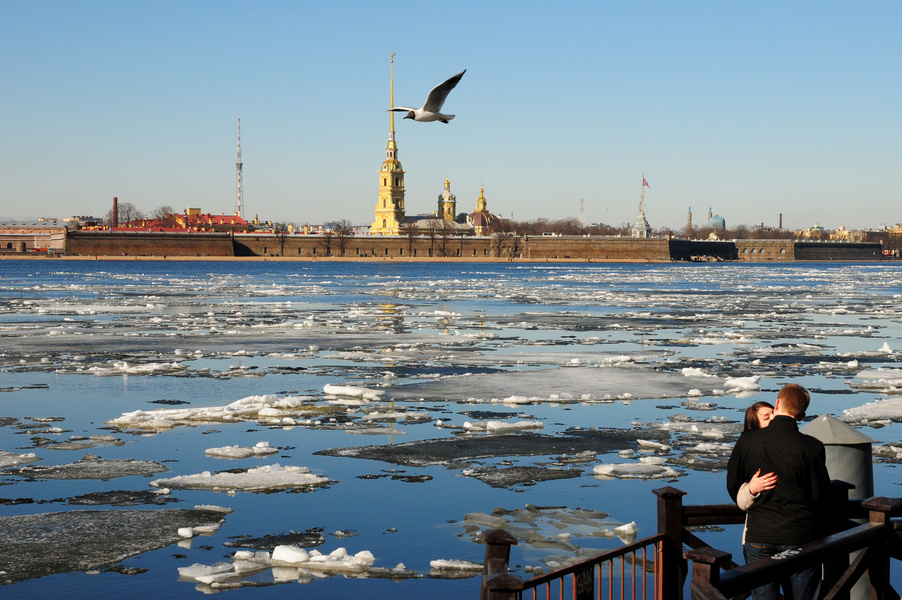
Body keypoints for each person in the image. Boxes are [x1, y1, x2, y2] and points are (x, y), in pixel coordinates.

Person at [727, 384, 831, 600]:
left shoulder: (747, 441)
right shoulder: (812, 446)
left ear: (777, 404)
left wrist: (751, 490)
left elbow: (732, 486)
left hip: (760, 536)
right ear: (802, 415)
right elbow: (820, 497)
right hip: (801, 536)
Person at [736, 402, 777, 544]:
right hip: (759, 532)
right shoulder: (747, 449)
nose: (773, 418)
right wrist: (751, 490)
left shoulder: (794, 444)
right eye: (766, 417)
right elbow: (734, 485)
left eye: (774, 414)